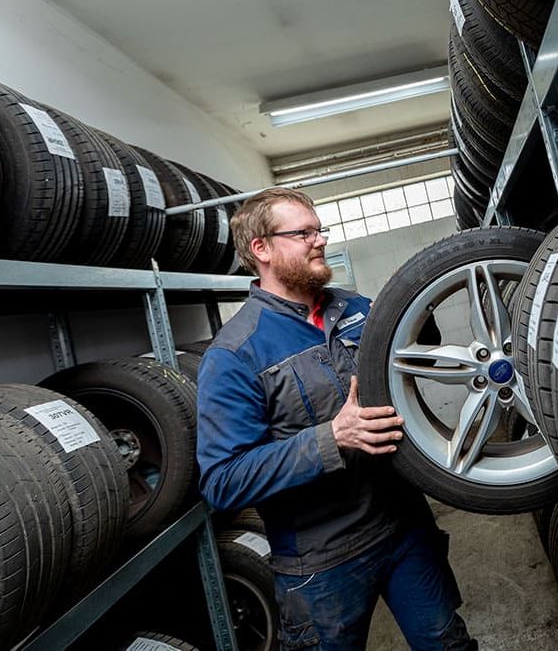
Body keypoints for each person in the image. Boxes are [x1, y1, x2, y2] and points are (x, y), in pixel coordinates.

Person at [196, 187, 476, 650]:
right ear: (261, 249)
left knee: (449, 644)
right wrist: (332, 438)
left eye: (319, 229)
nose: (319, 240)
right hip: (322, 561)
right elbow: (223, 480)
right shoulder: (234, 354)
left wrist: (414, 307)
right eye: (302, 232)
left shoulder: (356, 307)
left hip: (403, 529)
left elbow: (412, 353)